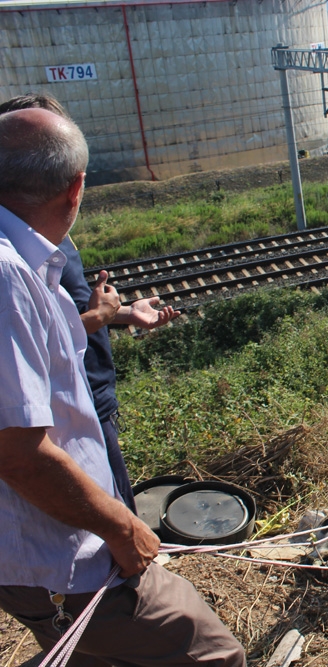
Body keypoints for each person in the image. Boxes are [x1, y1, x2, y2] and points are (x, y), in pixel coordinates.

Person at [0, 108, 244, 664]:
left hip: (38, 554)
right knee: (216, 655)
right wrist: (121, 527)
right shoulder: (7, 274)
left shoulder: (28, 261)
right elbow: (17, 453)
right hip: (63, 556)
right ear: (76, 189)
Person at [0, 93, 180, 512]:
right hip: (64, 408)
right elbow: (27, 343)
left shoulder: (40, 236)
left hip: (86, 391)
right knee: (108, 506)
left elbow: (47, 317)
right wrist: (96, 319)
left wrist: (119, 313)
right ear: (73, 185)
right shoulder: (12, 266)